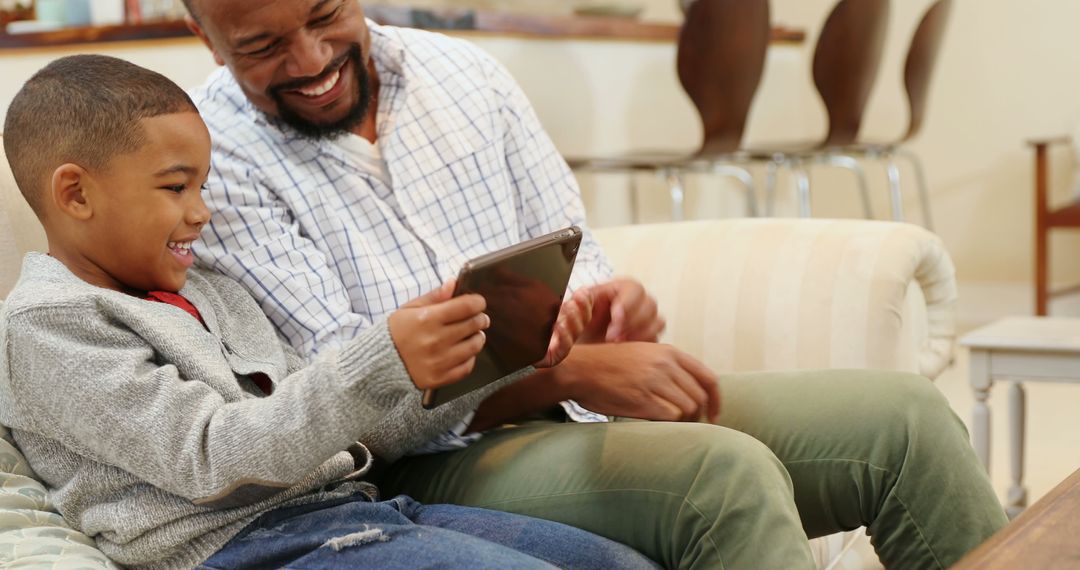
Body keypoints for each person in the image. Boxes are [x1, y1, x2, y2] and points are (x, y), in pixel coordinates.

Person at [181, 0, 1010, 567]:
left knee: (905, 422)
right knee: (722, 477)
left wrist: (610, 311)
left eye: (326, 15)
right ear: (207, 34)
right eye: (261, 47)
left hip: (574, 407)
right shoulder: (211, 160)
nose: (312, 58)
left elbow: (577, 252)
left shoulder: (463, 75)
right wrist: (561, 373)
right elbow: (348, 400)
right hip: (426, 460)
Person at [0, 54, 663, 570]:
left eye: (202, 186)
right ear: (75, 194)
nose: (201, 212)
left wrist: (492, 354)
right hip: (240, 552)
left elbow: (354, 437)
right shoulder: (50, 325)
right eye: (176, 187)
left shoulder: (209, 291)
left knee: (626, 563)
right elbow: (211, 458)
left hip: (350, 516)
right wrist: (381, 358)